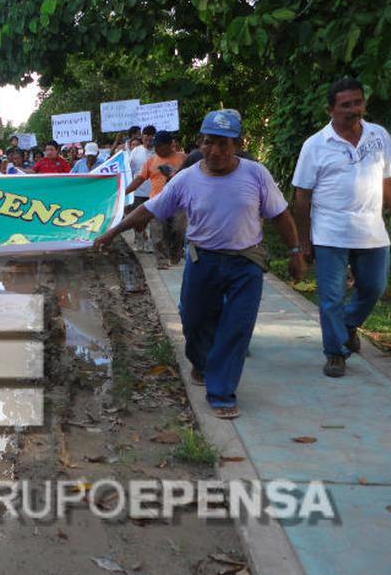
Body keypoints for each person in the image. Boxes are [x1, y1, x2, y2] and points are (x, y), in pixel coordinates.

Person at [94, 110, 305, 419]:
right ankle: (201, 361)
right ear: (200, 143)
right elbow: (150, 209)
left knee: (236, 327)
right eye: (208, 143)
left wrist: (295, 251)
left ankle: (221, 392)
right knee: (193, 321)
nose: (215, 151)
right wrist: (112, 232)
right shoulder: (187, 179)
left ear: (237, 144)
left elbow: (281, 215)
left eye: (223, 144)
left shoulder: (256, 174)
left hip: (245, 263)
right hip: (202, 260)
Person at [292, 77, 391, 378]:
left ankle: (347, 324)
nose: (354, 110)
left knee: (374, 287)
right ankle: (335, 352)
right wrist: (304, 240)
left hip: (372, 230)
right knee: (331, 297)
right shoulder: (315, 145)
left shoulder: (378, 136)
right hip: (330, 232)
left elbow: (390, 181)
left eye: (358, 102)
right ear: (331, 109)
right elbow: (302, 197)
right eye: (346, 105)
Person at [124, 130, 187, 269]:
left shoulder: (183, 159)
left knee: (179, 228)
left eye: (159, 146)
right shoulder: (151, 161)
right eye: (155, 146)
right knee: (157, 232)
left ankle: (176, 252)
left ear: (170, 145)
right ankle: (162, 260)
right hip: (158, 202)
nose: (156, 148)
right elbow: (139, 179)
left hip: (179, 203)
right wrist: (124, 192)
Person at [128, 125, 156, 251]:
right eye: (146, 135)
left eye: (151, 136)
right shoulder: (135, 151)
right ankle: (140, 242)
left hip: (155, 192)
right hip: (138, 192)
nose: (149, 138)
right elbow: (130, 169)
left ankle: (150, 244)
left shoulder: (158, 151)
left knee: (153, 221)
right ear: (142, 136)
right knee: (138, 220)